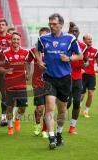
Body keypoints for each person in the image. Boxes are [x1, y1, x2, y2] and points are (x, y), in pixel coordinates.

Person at [36, 13, 83, 149]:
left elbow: (80, 55)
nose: (52, 26)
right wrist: (39, 61)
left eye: (54, 24)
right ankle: (51, 137)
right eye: (50, 23)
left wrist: (69, 59)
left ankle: (59, 133)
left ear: (61, 25)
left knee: (62, 110)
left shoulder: (70, 38)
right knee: (50, 107)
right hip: (49, 77)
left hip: (65, 79)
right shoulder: (43, 38)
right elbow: (37, 51)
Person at [0, 32, 32, 135]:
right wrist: (6, 71)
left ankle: (17, 119)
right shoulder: (4, 53)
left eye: (17, 39)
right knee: (10, 106)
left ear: (19, 40)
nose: (16, 41)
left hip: (21, 84)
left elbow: (28, 64)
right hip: (9, 84)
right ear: (10, 40)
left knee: (22, 107)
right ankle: (10, 127)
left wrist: (28, 74)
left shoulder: (26, 52)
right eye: (14, 39)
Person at [67, 22, 88, 134]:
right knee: (67, 102)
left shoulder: (83, 46)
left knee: (76, 102)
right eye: (72, 31)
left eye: (76, 31)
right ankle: (59, 123)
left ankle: (72, 127)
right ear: (69, 32)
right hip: (66, 76)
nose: (74, 33)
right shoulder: (65, 44)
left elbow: (86, 60)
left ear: (79, 33)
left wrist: (86, 64)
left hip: (78, 77)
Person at [29, 27, 50, 138]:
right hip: (37, 82)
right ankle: (37, 125)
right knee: (40, 107)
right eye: (41, 36)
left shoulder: (52, 50)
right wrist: (27, 72)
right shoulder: (33, 50)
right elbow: (27, 62)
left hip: (51, 83)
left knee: (48, 108)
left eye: (45, 35)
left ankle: (44, 130)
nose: (43, 38)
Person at [0, 18, 12, 126]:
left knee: (5, 94)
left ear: (6, 26)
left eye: (3, 24)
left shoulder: (11, 38)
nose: (1, 26)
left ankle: (4, 117)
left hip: (6, 70)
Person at [81, 34, 98, 118]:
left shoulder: (95, 50)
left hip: (91, 75)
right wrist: (80, 69)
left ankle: (86, 111)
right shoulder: (80, 50)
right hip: (82, 75)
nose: (90, 41)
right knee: (81, 95)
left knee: (90, 93)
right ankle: (79, 105)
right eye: (88, 39)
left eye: (91, 39)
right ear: (84, 40)